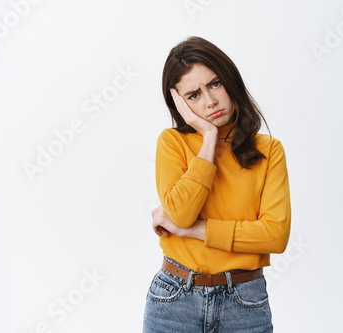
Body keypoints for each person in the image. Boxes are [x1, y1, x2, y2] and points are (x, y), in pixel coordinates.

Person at [143, 36, 291, 333]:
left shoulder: (269, 150)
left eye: (214, 84)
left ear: (230, 81)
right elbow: (183, 212)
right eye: (193, 95)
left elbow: (275, 236)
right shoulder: (172, 143)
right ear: (179, 104)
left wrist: (192, 230)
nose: (210, 101)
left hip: (244, 302)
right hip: (174, 298)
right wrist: (208, 137)